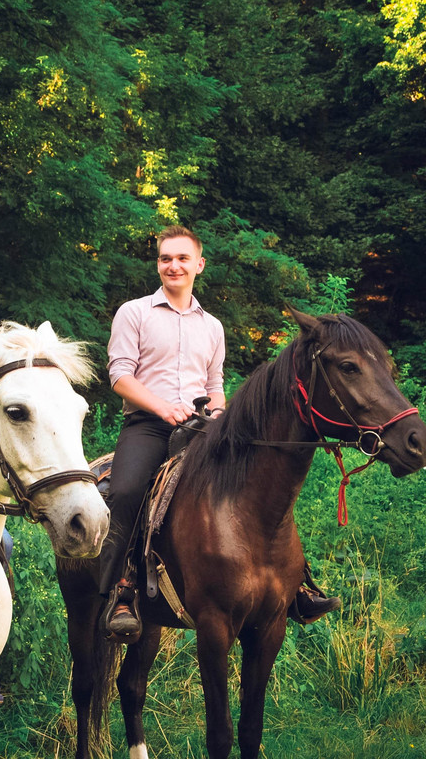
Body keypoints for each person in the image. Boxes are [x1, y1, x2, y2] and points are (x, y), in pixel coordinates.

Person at [101, 225, 340, 642]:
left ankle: (296, 583)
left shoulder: (212, 326)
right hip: (148, 426)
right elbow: (119, 375)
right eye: (165, 258)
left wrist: (219, 411)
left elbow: (214, 384)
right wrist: (162, 406)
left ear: (199, 265)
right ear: (158, 264)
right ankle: (122, 591)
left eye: (181, 258)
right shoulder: (134, 312)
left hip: (202, 428)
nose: (173, 265)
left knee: (264, 484)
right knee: (126, 491)